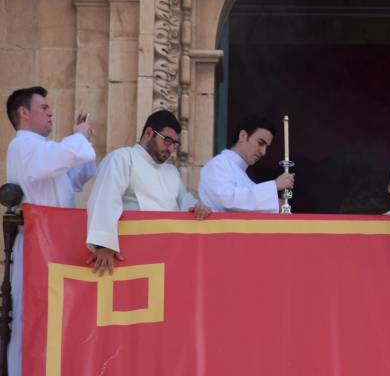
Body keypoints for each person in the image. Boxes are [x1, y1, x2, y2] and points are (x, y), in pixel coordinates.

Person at [5, 86, 96, 376]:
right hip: (36, 246)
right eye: (43, 107)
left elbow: (74, 177)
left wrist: (83, 140)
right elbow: (54, 160)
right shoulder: (23, 145)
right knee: (30, 321)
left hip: (56, 247)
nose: (50, 112)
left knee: (56, 322)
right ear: (24, 112)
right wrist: (78, 136)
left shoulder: (44, 150)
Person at [86, 110, 210, 276]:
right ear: (149, 133)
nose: (171, 148)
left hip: (168, 257)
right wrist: (104, 245)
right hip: (129, 256)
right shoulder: (123, 158)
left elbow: (185, 202)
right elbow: (105, 198)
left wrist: (196, 207)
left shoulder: (171, 172)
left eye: (175, 144)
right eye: (167, 140)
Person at [198, 115, 294, 212]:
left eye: (266, 147)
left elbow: (249, 206)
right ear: (243, 136)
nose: (263, 152)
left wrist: (279, 204)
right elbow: (228, 200)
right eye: (260, 143)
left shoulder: (246, 179)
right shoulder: (218, 163)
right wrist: (274, 186)